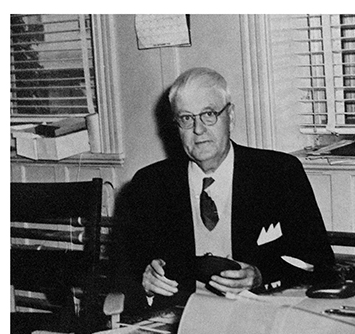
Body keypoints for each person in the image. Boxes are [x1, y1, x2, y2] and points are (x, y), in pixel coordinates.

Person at [111, 67, 336, 313]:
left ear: (231, 116)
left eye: (208, 114)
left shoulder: (279, 173)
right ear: (176, 126)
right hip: (180, 319)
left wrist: (260, 275)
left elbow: (319, 263)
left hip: (257, 316)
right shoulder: (149, 184)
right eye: (186, 118)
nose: (198, 130)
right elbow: (122, 273)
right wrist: (146, 284)